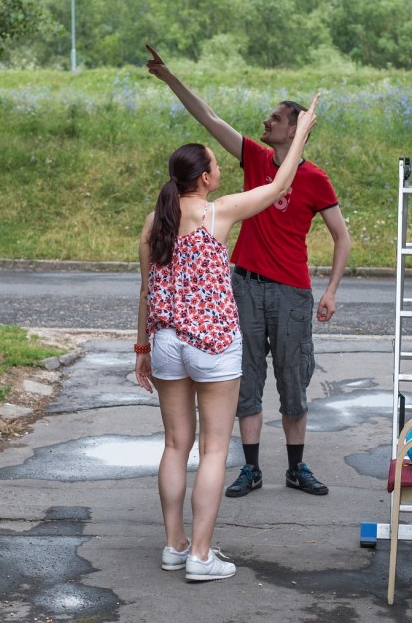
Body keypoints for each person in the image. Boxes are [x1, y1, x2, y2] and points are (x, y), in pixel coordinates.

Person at [145, 45, 351, 500]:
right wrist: (170, 77)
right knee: (247, 382)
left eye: (276, 118)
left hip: (292, 292)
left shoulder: (315, 179)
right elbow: (209, 118)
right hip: (246, 288)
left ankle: (296, 468)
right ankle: (251, 468)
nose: (266, 121)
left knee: (293, 381)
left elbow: (342, 236)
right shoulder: (255, 157)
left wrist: (331, 289)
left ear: (295, 129)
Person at [134, 94, 318, 582]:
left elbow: (146, 289)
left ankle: (174, 545)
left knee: (176, 446)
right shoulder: (219, 213)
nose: (221, 169)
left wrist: (142, 348)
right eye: (216, 165)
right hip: (212, 344)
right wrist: (302, 132)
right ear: (204, 178)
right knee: (214, 450)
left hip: (166, 342)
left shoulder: (155, 222)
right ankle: (200, 556)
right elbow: (280, 183)